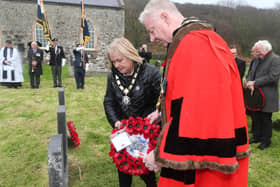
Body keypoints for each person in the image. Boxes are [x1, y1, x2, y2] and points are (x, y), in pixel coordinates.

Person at [138, 0, 250, 186]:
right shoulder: (195, 42)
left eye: (152, 30)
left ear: (164, 17)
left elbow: (197, 112)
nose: (151, 39)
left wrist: (159, 155)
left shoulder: (195, 44)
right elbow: (190, 98)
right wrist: (161, 112)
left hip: (202, 166)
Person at [103, 37, 161, 187]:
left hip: (145, 132)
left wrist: (155, 117)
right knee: (123, 168)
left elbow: (162, 101)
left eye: (119, 60)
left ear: (130, 55)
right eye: (113, 61)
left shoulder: (151, 73)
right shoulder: (113, 76)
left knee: (146, 171)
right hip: (122, 129)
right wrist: (116, 122)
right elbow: (109, 101)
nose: (116, 65)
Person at [246, 40, 280, 150]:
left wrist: (255, 82)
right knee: (256, 116)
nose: (257, 53)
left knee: (266, 118)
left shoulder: (275, 59)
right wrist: (248, 81)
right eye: (256, 51)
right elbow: (251, 73)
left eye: (258, 50)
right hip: (254, 94)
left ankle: (266, 140)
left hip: (267, 95)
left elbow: (273, 77)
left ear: (266, 49)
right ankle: (257, 137)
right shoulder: (256, 59)